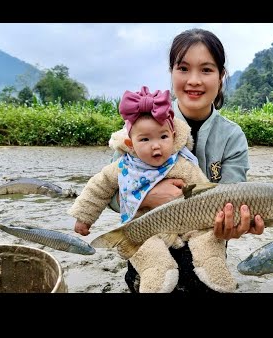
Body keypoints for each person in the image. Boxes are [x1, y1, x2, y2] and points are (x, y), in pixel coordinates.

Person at [111, 28, 265, 294]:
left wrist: (238, 222)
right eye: (183, 68)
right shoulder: (142, 124)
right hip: (151, 239)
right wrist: (147, 197)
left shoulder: (232, 136)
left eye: (206, 70)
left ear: (221, 76)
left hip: (207, 243)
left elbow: (235, 198)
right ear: (171, 72)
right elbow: (110, 192)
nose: (194, 80)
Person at [68, 85, 238, 293]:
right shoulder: (123, 166)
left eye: (163, 137)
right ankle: (155, 277)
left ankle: (213, 267)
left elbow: (206, 191)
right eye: (145, 139)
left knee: (206, 238)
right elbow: (98, 189)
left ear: (173, 136)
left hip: (188, 224)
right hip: (144, 228)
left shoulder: (183, 163)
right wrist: (84, 217)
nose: (156, 146)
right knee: (146, 252)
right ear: (131, 143)